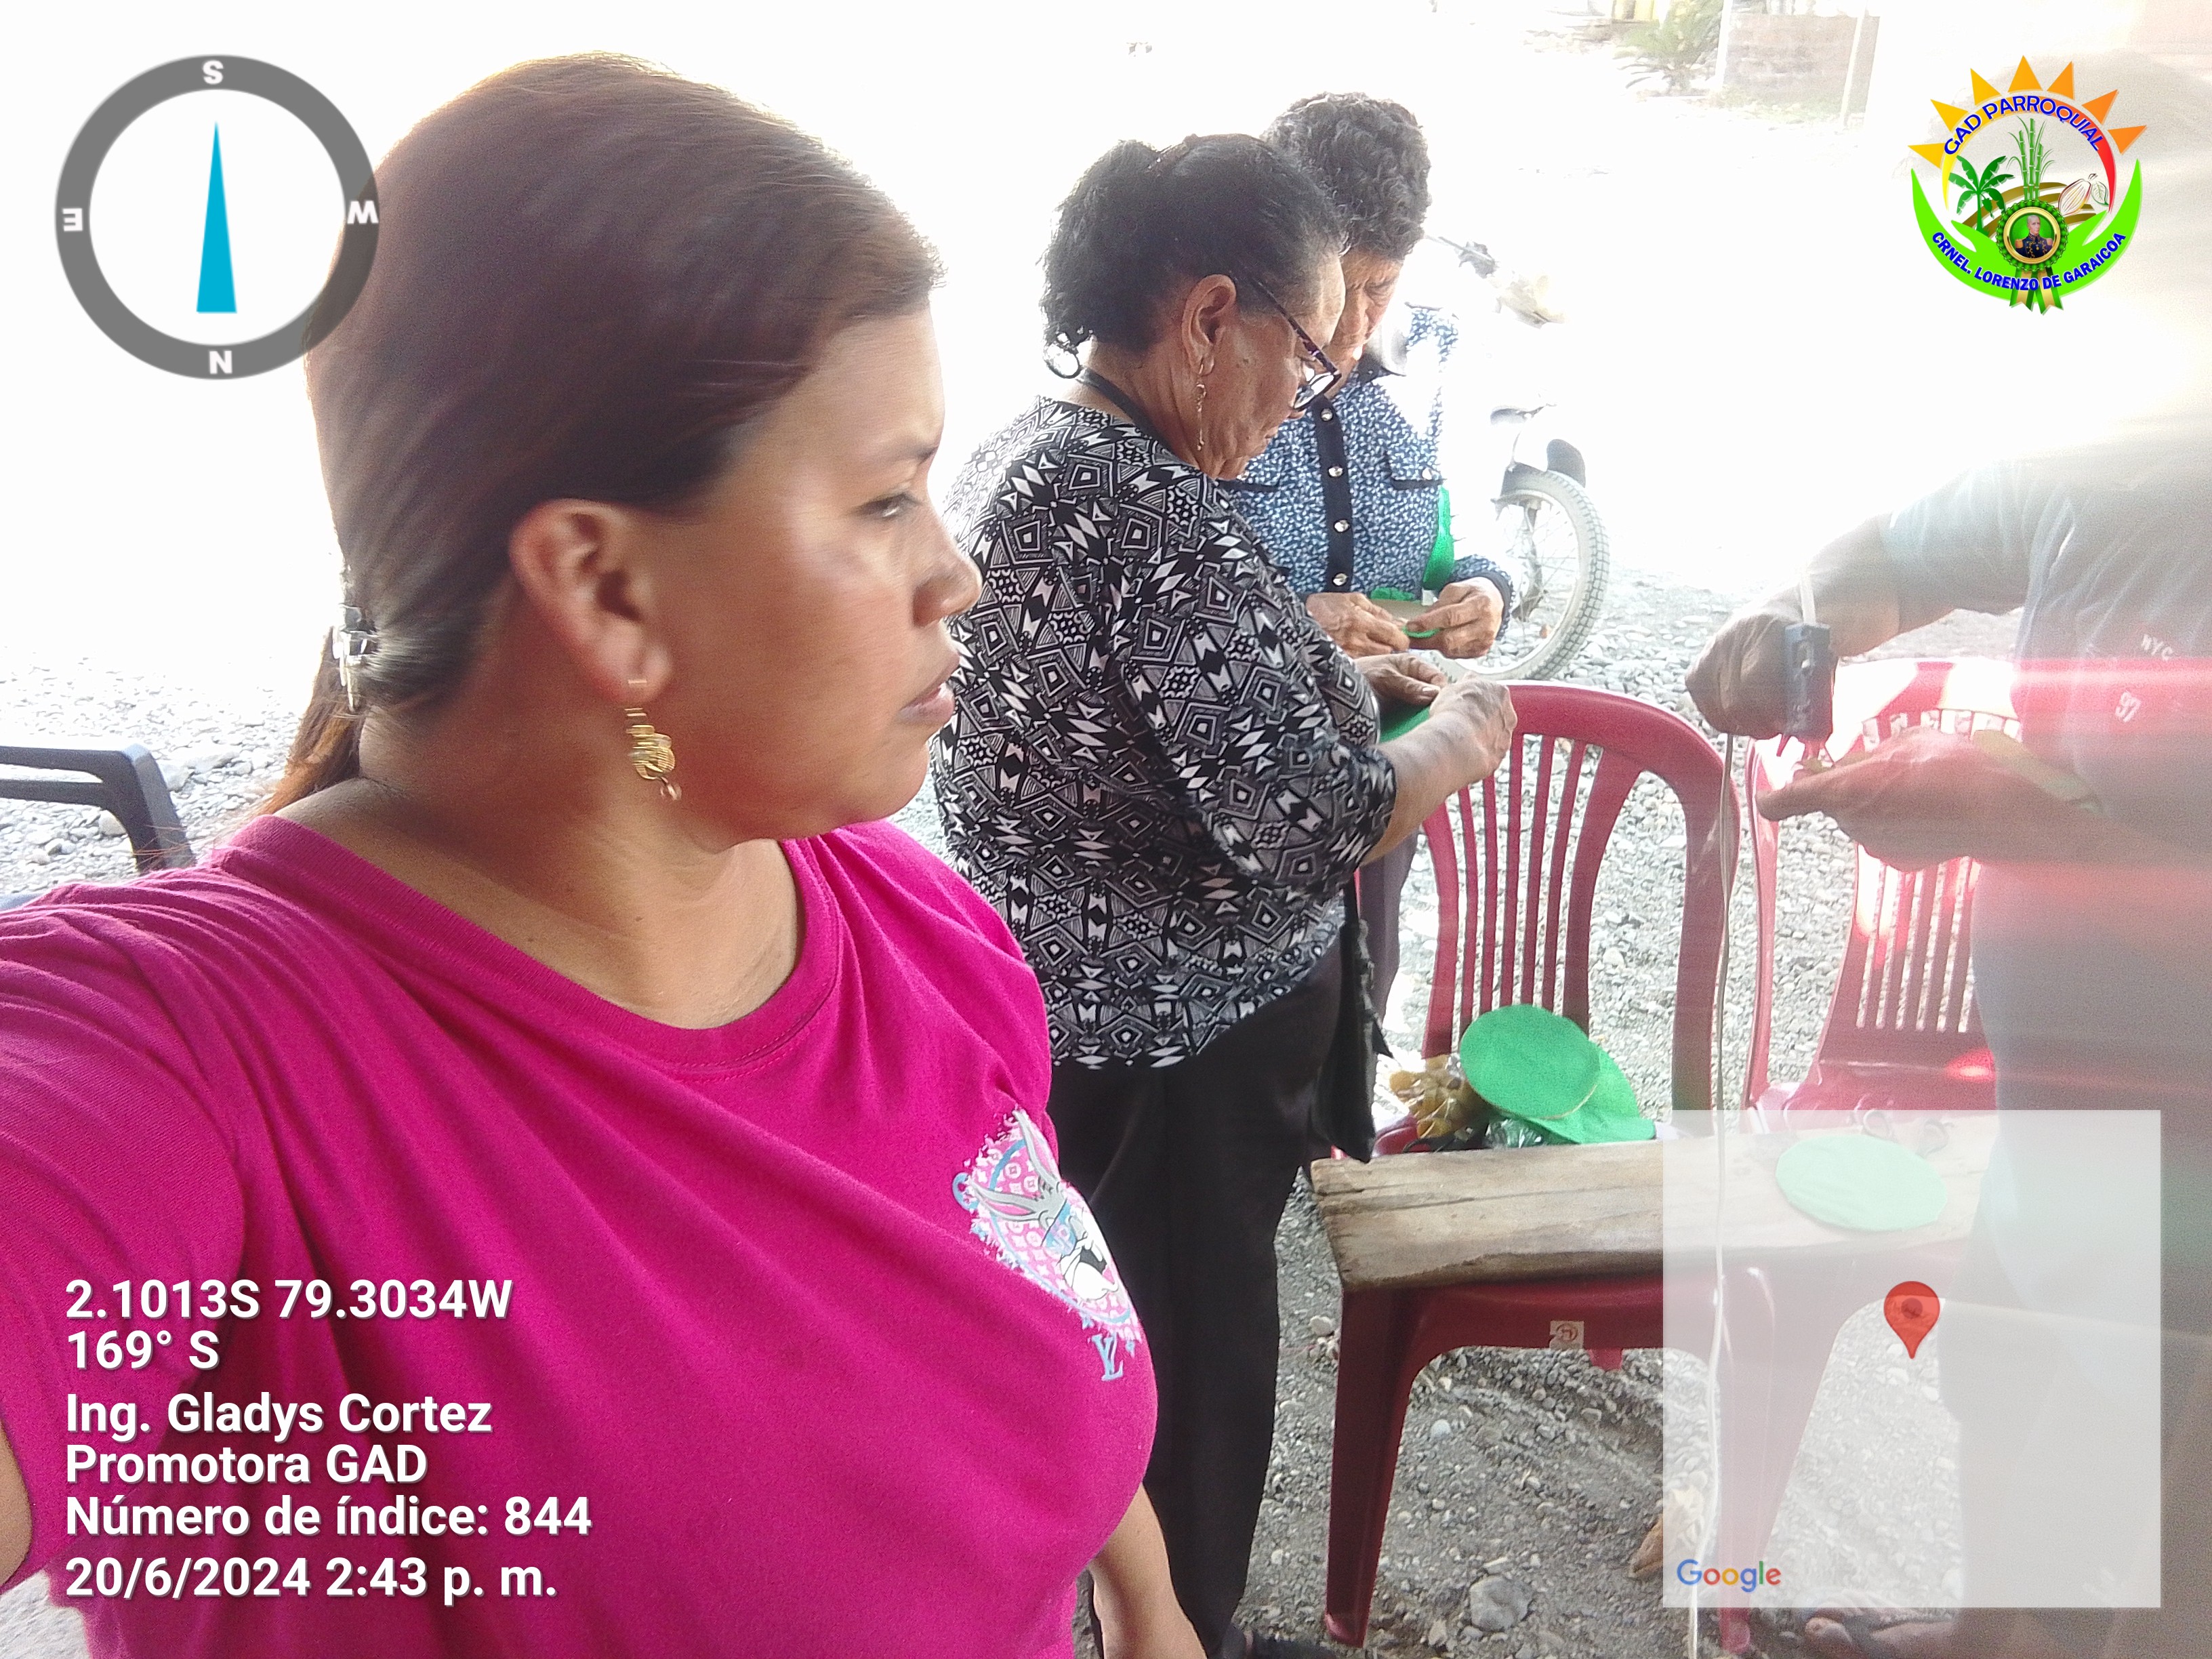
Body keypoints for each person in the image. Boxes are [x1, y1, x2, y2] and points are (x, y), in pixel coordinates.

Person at [0, 56, 1200, 1659]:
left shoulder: (923, 936)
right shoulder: (194, 1063)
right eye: (886, 500)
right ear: (607, 591)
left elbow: (1032, 1318)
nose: (956, 573)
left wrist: (1145, 1597)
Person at [933, 134, 1517, 1659]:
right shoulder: (1149, 512)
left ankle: (1141, 1616)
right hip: (1175, 1055)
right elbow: (1317, 817)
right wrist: (1455, 732)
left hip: (1077, 1022)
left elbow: (1160, 720)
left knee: (1117, 1349)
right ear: (1208, 317)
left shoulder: (1032, 455)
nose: (1311, 398)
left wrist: (1334, 672)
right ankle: (1184, 1629)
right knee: (1190, 1375)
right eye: (1309, 357)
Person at [1231, 93, 1518, 1017]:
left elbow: (1469, 514)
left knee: (1363, 990)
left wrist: (1483, 585)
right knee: (1260, 1008)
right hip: (1247, 766)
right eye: (1334, 287)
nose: (1352, 329)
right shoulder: (1225, 366)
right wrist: (1294, 625)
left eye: (1381, 288)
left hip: (1389, 760)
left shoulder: (1436, 358)